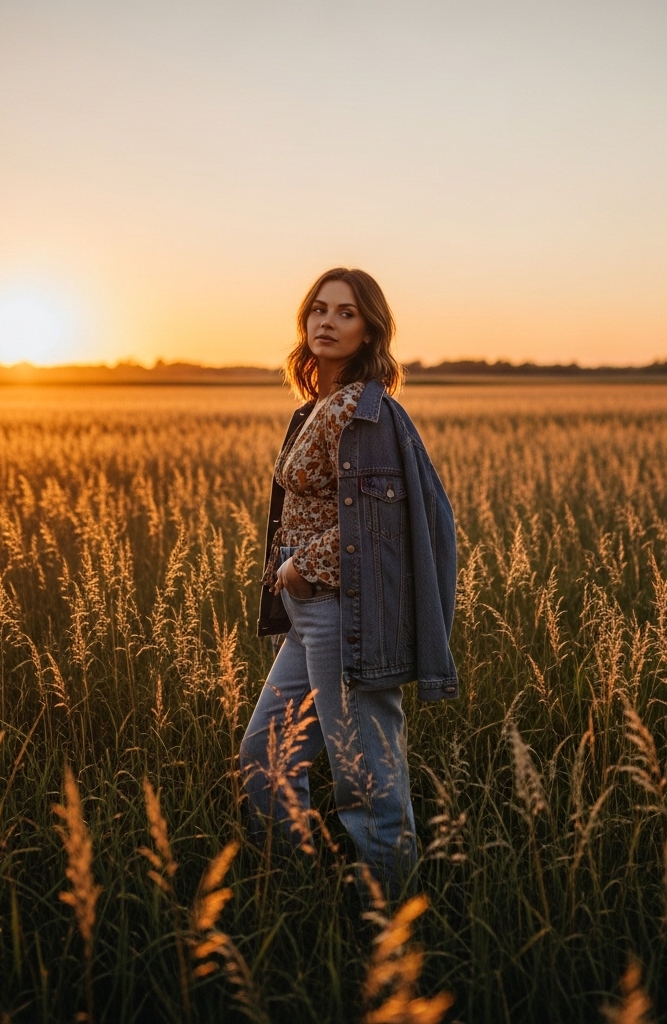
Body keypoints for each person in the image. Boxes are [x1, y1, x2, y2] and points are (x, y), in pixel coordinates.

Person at [238, 267, 458, 893]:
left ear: (369, 332)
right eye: (318, 310)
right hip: (312, 619)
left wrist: (298, 567)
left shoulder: (367, 413)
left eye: (346, 313)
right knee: (266, 756)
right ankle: (293, 888)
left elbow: (378, 521)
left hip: (345, 614)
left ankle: (390, 927)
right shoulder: (319, 408)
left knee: (368, 780)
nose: (327, 323)